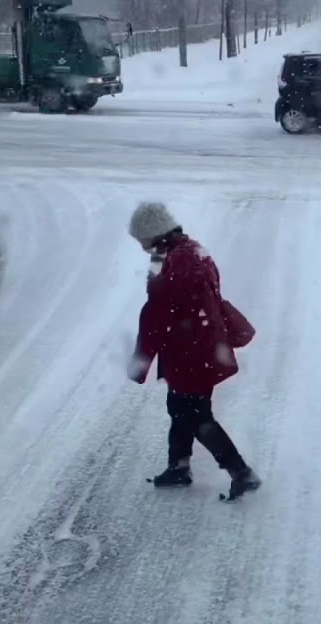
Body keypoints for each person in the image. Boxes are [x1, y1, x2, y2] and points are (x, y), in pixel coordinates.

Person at [127, 201, 261, 500]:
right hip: (197, 347)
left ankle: (240, 471)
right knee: (181, 408)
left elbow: (157, 314)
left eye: (141, 241)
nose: (142, 248)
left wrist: (140, 361)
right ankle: (178, 467)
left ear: (153, 234)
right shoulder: (181, 251)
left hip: (192, 351)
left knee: (195, 415)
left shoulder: (177, 262)